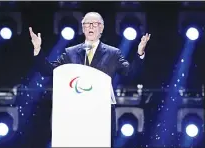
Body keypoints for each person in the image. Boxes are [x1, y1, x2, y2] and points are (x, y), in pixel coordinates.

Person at [29, 12, 150, 147]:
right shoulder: (70, 52)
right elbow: (48, 71)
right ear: (83, 27)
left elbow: (130, 73)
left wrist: (140, 54)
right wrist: (37, 50)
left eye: (94, 24)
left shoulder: (113, 53)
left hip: (102, 115)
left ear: (101, 28)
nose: (90, 27)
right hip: (77, 114)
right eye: (87, 24)